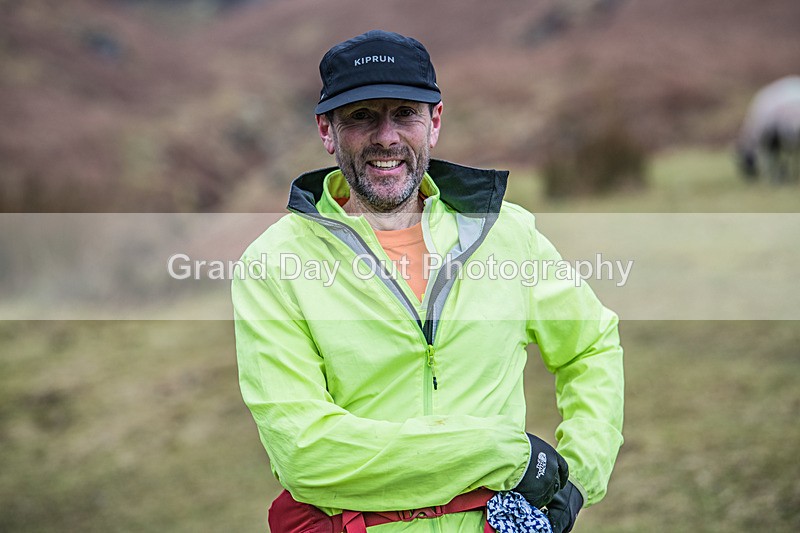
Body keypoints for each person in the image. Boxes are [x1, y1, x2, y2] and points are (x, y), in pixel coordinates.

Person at [232, 30, 624, 533]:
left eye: (405, 113)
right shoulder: (271, 265)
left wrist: (578, 476)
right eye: (361, 116)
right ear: (327, 131)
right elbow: (304, 451)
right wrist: (504, 455)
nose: (386, 137)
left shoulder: (507, 234)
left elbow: (589, 348)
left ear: (434, 123)